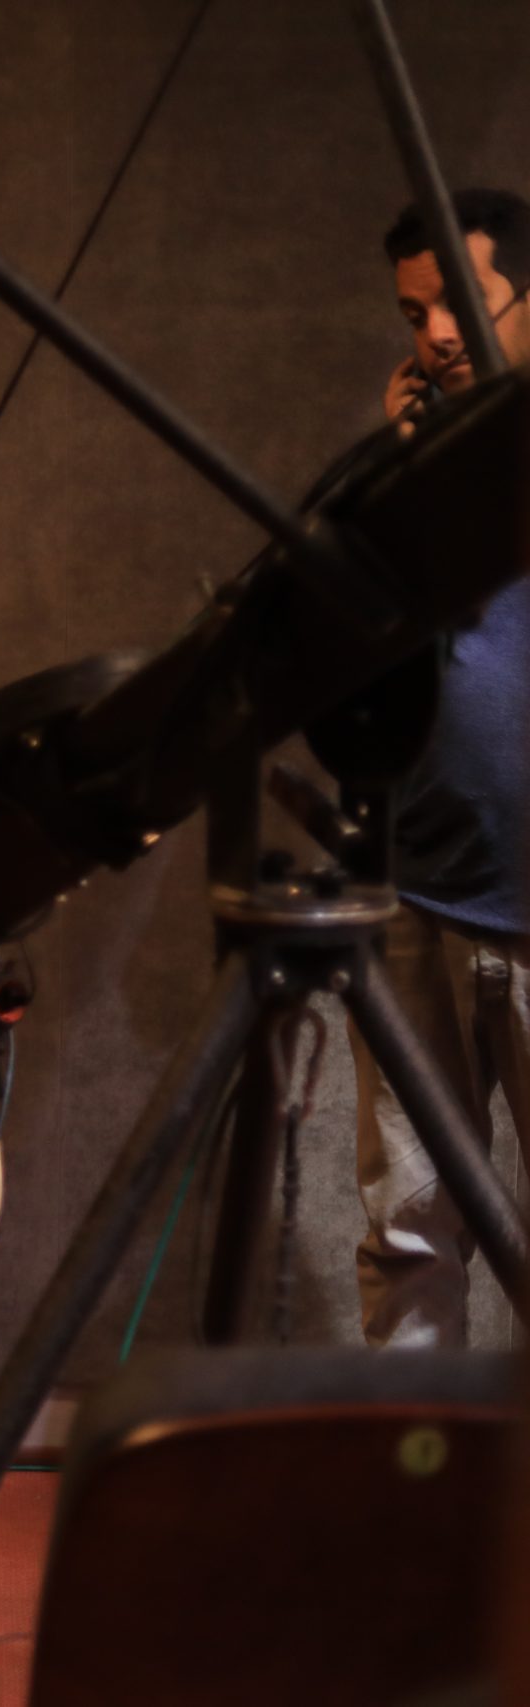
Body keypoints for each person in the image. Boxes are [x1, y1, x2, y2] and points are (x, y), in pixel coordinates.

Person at [354, 190, 530, 1347]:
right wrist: (401, 477)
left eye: (462, 301)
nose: (436, 336)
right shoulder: (403, 475)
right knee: (408, 1224)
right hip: (415, 897)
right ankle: (415, 1455)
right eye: (415, 314)